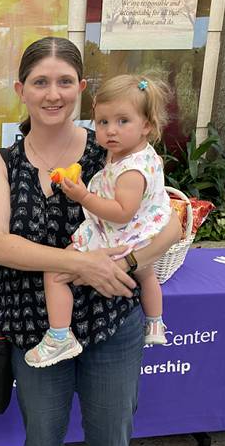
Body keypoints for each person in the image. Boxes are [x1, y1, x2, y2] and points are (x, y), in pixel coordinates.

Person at [0, 37, 181, 446]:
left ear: (82, 90)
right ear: (21, 91)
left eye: (65, 81)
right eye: (40, 82)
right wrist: (82, 263)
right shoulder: (2, 164)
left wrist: (127, 261)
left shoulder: (112, 148)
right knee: (42, 442)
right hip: (34, 328)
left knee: (112, 441)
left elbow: (170, 221)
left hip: (112, 324)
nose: (53, 93)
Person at [25, 74, 173, 368]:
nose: (110, 131)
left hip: (118, 235)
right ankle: (155, 323)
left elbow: (121, 212)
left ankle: (59, 335)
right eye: (103, 122)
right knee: (146, 275)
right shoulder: (135, 154)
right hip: (141, 234)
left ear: (147, 125)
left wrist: (82, 196)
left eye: (122, 121)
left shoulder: (130, 169)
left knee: (55, 272)